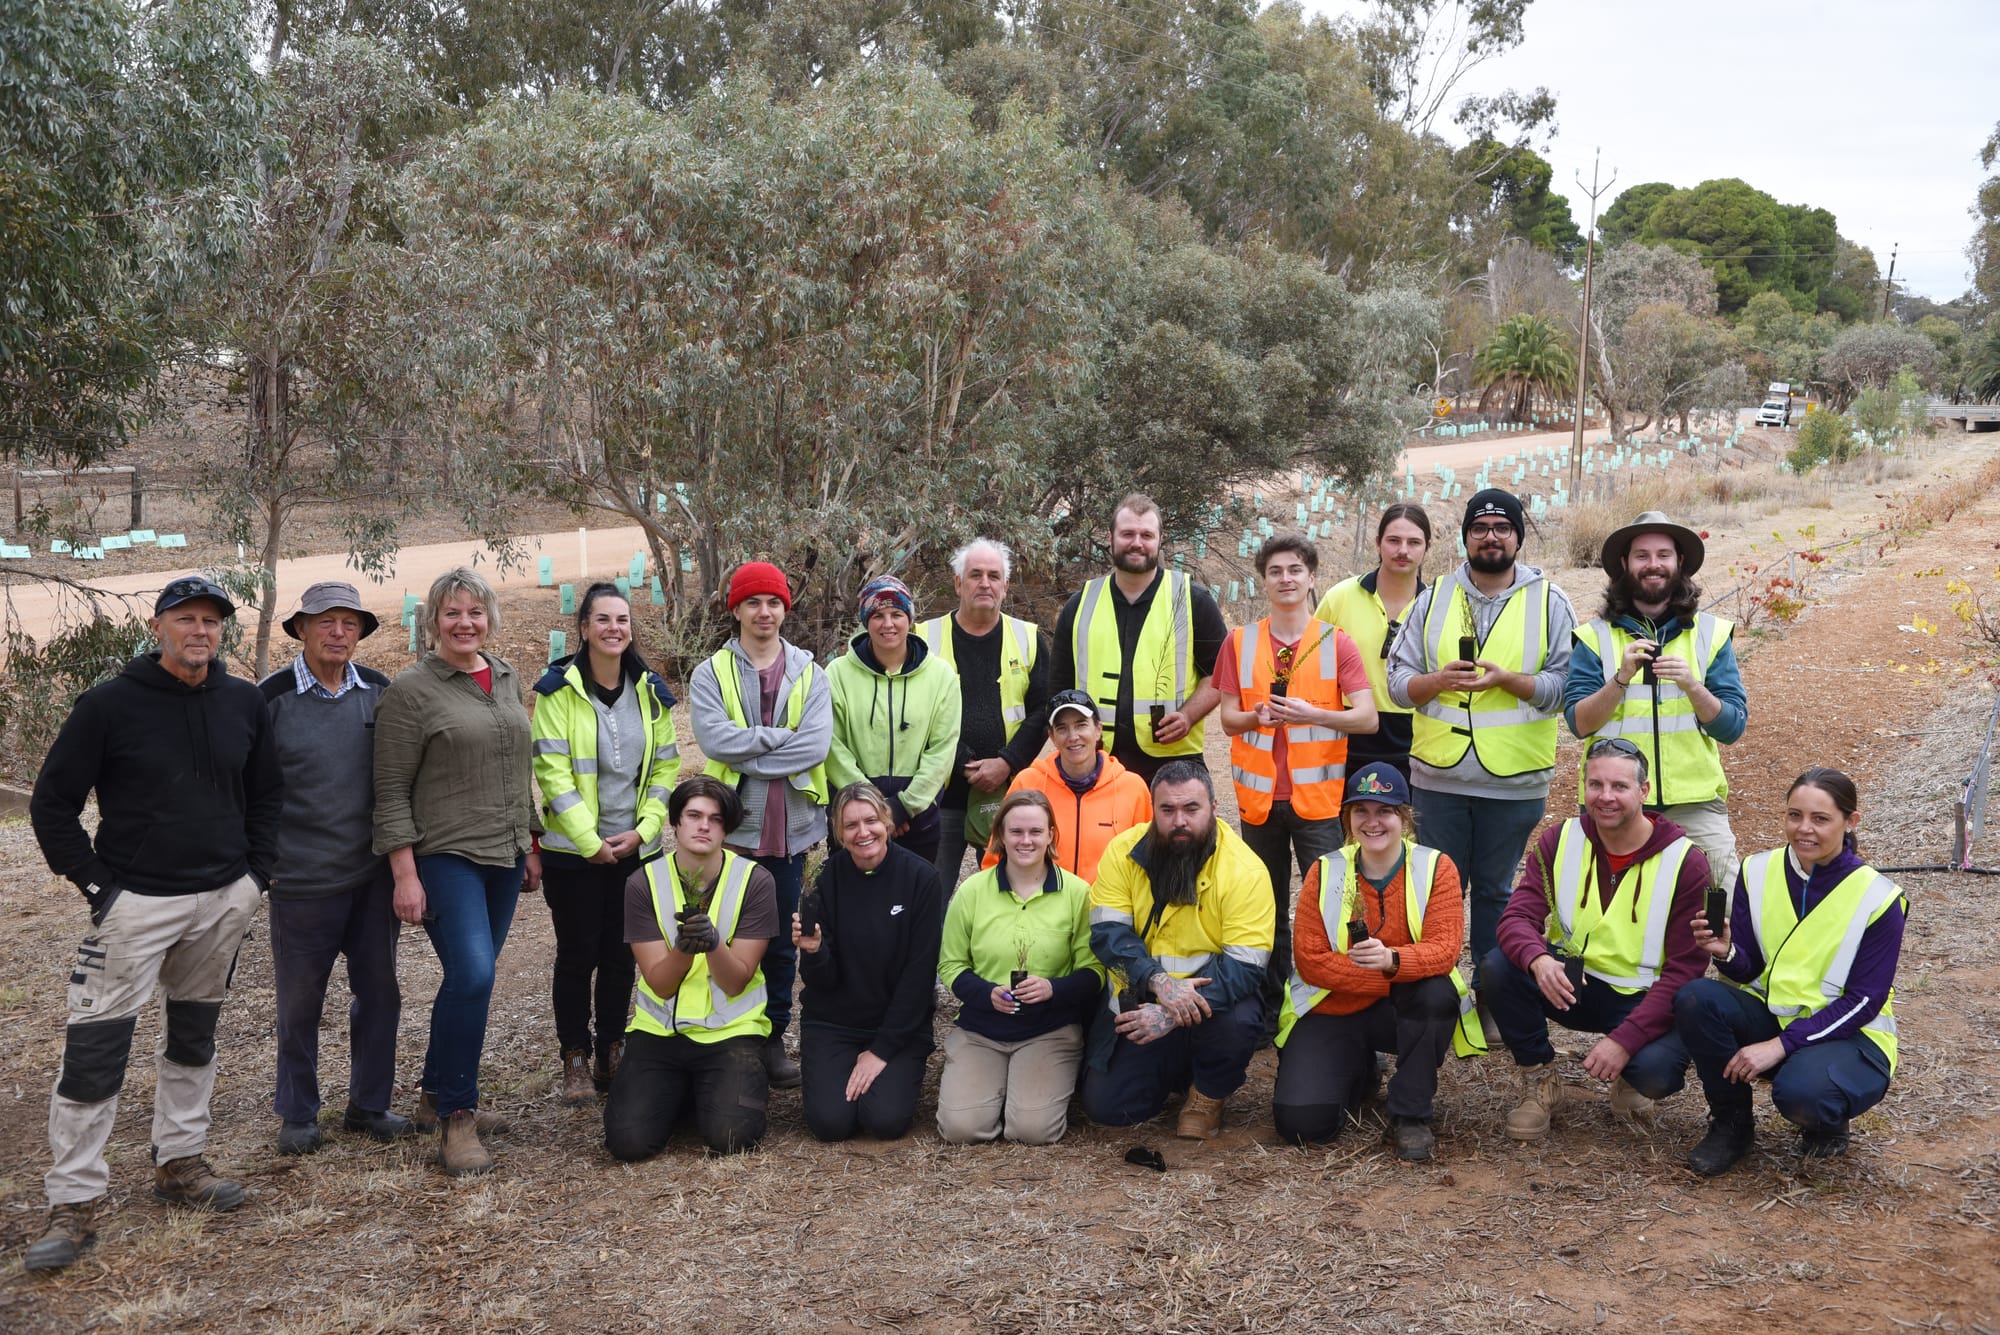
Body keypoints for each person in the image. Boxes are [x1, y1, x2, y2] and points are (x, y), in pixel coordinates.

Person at [24, 577, 281, 1272]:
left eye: (212, 620)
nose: (200, 630)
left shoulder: (242, 701)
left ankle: (181, 1163)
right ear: (157, 624)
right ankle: (74, 1203)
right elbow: (52, 805)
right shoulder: (109, 704)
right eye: (186, 618)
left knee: (194, 1037)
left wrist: (255, 876)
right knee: (96, 1051)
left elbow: (266, 796)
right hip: (135, 904)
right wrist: (100, 887)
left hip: (222, 899)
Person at [373, 567, 541, 1178]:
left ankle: (431, 1095)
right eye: (452, 614)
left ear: (489, 619)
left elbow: (518, 765)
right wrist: (403, 874)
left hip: (503, 853)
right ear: (433, 623)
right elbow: (390, 790)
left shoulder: (503, 676)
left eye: (475, 613)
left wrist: (530, 841)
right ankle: (457, 1118)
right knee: (471, 974)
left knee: (474, 977)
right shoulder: (410, 691)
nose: (465, 623)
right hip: (443, 856)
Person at [1387, 489, 1576, 998]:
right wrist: (1437, 682)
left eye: (1502, 528)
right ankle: (1437, 992)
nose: (1491, 537)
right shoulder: (1432, 600)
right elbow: (1398, 684)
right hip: (1438, 778)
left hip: (1514, 782)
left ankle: (1493, 996)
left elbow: (1564, 689)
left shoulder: (1551, 602)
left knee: (1496, 893)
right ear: (1465, 536)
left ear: (1518, 536)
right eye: (1480, 528)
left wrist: (1508, 681)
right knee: (1437, 890)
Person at [1676, 769, 1905, 1175]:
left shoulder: (1879, 898)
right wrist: (1727, 952)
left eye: (1820, 819)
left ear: (1850, 822)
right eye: (1794, 815)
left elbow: (1864, 1001)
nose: (1804, 829)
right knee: (1697, 997)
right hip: (1778, 1018)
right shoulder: (1756, 871)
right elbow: (1752, 969)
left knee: (1802, 1094)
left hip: (1851, 1037)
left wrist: (1780, 1045)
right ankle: (1732, 1126)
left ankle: (1827, 1120)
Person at [1485, 738, 1707, 1141]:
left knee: (1656, 1073)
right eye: (1595, 785)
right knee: (1499, 965)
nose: (1605, 797)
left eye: (1620, 786)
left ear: (1644, 791)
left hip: (1644, 998)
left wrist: (1624, 1042)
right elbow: (1517, 916)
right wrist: (1538, 959)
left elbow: (1685, 971)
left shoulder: (1685, 861)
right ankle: (1540, 1077)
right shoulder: (1560, 840)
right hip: (1572, 985)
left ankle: (1629, 1077)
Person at [258, 581, 410, 1157]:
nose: (338, 633)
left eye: (350, 623)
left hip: (370, 877)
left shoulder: (378, 691)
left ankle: (369, 1104)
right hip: (301, 881)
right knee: (300, 1003)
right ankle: (297, 1112)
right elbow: (252, 789)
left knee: (380, 993)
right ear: (300, 629)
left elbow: (398, 776)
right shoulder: (269, 698)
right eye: (326, 622)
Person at [1272, 763, 1484, 1161]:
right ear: (1347, 818)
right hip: (1332, 1008)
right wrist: (1397, 975)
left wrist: (1391, 960)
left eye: (1384, 811)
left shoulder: (1436, 867)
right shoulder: (1324, 870)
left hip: (1404, 1011)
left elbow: (1444, 950)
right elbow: (1311, 961)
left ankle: (1410, 1114)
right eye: (1360, 811)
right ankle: (1360, 1069)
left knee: (1436, 992)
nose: (1372, 822)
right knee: (1303, 1125)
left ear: (1404, 817)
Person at [532, 582, 680, 1105]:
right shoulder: (557, 692)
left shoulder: (651, 692)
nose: (614, 628)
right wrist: (589, 841)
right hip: (573, 855)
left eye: (622, 619)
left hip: (636, 850)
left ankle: (611, 1050)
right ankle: (574, 1055)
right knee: (577, 955)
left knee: (623, 955)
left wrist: (644, 830)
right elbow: (551, 771)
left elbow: (665, 766)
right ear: (583, 628)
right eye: (603, 620)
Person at [1217, 531, 1377, 1011]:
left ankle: (1337, 1003)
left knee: (1334, 904)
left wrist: (1314, 714)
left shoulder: (1337, 644)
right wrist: (1255, 717)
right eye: (1275, 571)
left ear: (1311, 578)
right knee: (1264, 912)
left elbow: (1366, 717)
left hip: (1319, 803)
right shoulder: (1239, 642)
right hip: (1259, 803)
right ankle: (1269, 1008)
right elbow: (1228, 718)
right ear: (1262, 580)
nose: (1285, 579)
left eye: (1294, 570)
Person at [688, 559, 832, 1091]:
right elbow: (714, 741)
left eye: (774, 602)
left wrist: (754, 743)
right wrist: (779, 741)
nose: (764, 611)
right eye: (753, 602)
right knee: (722, 935)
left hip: (790, 833)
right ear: (737, 609)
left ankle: (771, 1038)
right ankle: (726, 1038)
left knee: (779, 944)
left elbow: (815, 745)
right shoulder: (711, 672)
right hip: (733, 830)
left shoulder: (812, 672)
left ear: (784, 609)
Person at [1083, 761, 1275, 1139]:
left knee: (1240, 1019)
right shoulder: (1122, 852)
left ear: (1215, 808)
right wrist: (1156, 983)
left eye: (1191, 808)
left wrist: (1172, 1014)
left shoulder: (1245, 871)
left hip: (1214, 1007)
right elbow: (1108, 937)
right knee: (1110, 1110)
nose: (1179, 821)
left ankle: (1207, 1094)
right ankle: (1174, 1071)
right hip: (1142, 997)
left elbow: (1246, 966)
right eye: (1167, 810)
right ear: (1152, 809)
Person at [1564, 511, 1747, 889]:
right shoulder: (1593, 637)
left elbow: (1732, 727)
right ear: (1624, 565)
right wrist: (1620, 679)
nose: (1653, 565)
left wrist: (1693, 687)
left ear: (1680, 563)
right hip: (1614, 806)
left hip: (1694, 806)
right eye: (1642, 555)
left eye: (1664, 555)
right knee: (1609, 912)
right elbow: (1579, 724)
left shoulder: (1710, 634)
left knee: (1723, 909)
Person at [602, 777, 776, 1159]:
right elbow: (661, 985)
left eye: (715, 819)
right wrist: (683, 948)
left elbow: (736, 981)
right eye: (693, 815)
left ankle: (713, 1091)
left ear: (726, 827)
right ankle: (685, 1092)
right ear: (675, 823)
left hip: (730, 1032)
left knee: (732, 1138)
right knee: (629, 1143)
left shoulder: (755, 881)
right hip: (660, 1031)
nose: (704, 826)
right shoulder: (643, 882)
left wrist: (712, 943)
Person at [935, 790, 1103, 1145]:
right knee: (961, 1130)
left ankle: (1026, 1092)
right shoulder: (972, 891)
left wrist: (1053, 989)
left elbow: (1094, 971)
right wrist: (985, 994)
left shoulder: (1077, 893)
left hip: (1049, 1029)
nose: (1026, 841)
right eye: (1016, 832)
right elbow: (950, 964)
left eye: (1035, 832)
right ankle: (988, 1084)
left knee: (1033, 1131)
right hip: (982, 1029)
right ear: (999, 835)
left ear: (1050, 836)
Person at [793, 783, 946, 1141]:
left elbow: (919, 975)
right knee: (830, 1125)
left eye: (871, 820)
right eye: (850, 825)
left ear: (887, 821)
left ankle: (885, 1069)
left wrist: (880, 1052)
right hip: (835, 1023)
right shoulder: (824, 880)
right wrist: (814, 951)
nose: (863, 833)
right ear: (838, 833)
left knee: (885, 1121)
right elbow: (820, 983)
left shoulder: (921, 878)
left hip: (897, 1026)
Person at [1052, 493, 1229, 787]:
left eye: (1147, 534)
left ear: (1160, 539)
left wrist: (1187, 716)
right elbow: (1058, 687)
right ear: (1110, 538)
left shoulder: (1192, 600)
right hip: (1097, 763)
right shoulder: (1079, 604)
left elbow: (1222, 674)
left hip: (1174, 764)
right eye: (1127, 534)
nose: (1137, 542)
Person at [914, 538, 1052, 888]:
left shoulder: (1029, 638)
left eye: (994, 576)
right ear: (958, 583)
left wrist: (1006, 761)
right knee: (931, 894)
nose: (985, 583)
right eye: (975, 575)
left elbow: (1042, 711)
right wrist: (964, 762)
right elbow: (915, 711)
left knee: (1005, 893)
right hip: (938, 793)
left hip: (1006, 793)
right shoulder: (922, 639)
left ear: (1006, 586)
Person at [827, 574, 962, 867]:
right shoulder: (836, 674)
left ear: (910, 619)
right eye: (877, 615)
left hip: (917, 818)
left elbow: (942, 749)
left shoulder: (942, 677)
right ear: (865, 620)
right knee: (849, 907)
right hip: (853, 818)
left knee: (912, 907)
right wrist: (875, 809)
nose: (888, 624)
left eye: (897, 614)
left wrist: (902, 808)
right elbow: (831, 746)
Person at [981, 688, 1152, 883]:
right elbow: (996, 857)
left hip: (1107, 907)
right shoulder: (1027, 783)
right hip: (1041, 906)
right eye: (1062, 728)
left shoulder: (1133, 788)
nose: (1073, 736)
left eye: (1081, 725)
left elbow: (1149, 861)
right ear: (1052, 737)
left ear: (1098, 730)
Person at [1316, 503, 1432, 780]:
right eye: (1393, 540)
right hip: (1344, 739)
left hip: (1417, 744)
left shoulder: (1439, 606)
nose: (1403, 550)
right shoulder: (1340, 597)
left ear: (1427, 548)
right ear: (1378, 543)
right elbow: (1313, 667)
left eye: (1413, 542)